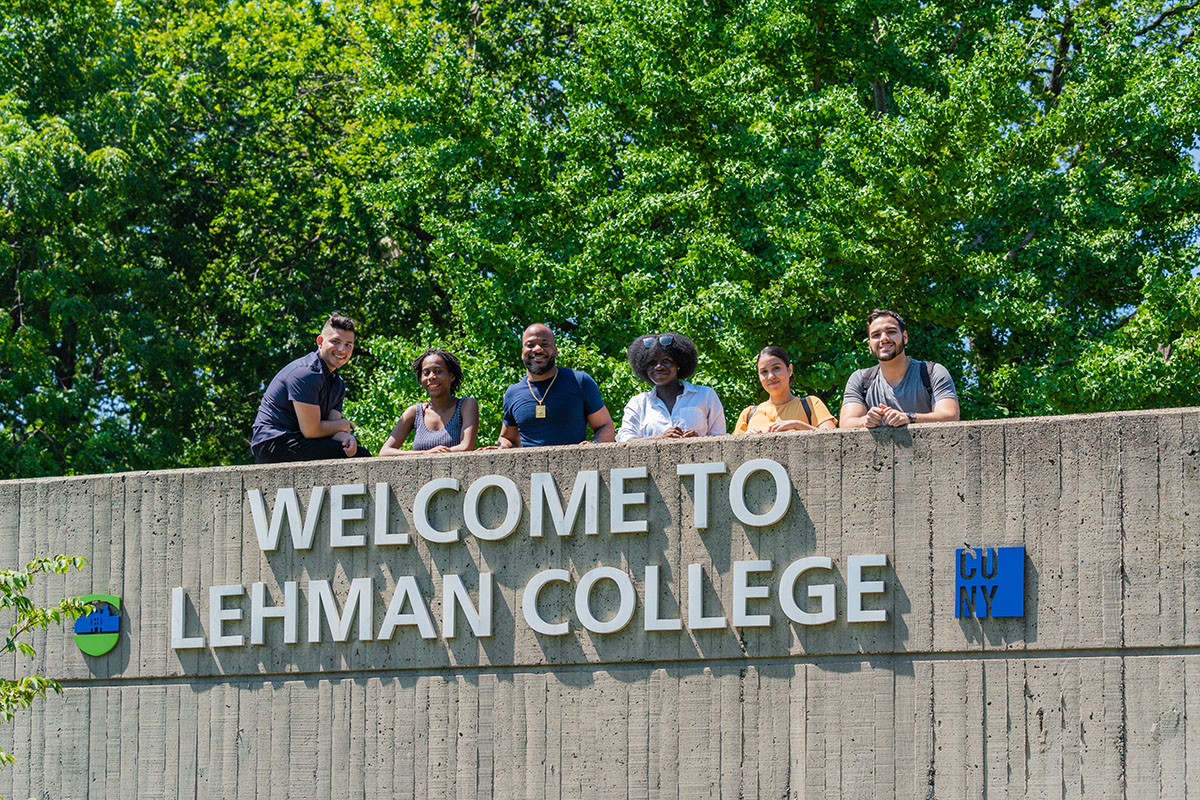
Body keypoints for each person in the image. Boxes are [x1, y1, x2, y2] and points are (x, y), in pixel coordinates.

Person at [250, 314, 372, 463]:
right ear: (320, 342)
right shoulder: (306, 373)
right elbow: (312, 430)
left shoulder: (338, 384)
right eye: (336, 341)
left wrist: (346, 437)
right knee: (360, 457)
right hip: (273, 443)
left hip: (300, 440)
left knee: (355, 453)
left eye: (348, 345)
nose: (342, 349)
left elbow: (332, 429)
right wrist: (345, 425)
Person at [493, 323, 615, 448]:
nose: (537, 349)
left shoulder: (579, 381)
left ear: (555, 351)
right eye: (530, 345)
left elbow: (605, 426)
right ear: (522, 352)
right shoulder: (513, 392)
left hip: (573, 465)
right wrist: (499, 448)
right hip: (529, 466)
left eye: (545, 344)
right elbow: (508, 438)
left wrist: (594, 446)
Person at [839, 309, 960, 428]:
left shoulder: (933, 372)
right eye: (876, 335)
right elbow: (845, 424)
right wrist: (866, 420)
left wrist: (909, 418)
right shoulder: (860, 379)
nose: (884, 338)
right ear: (870, 346)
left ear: (905, 337)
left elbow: (951, 416)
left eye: (891, 331)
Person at [616, 332, 726, 440]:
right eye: (652, 362)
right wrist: (658, 439)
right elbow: (625, 439)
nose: (658, 367)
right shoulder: (638, 403)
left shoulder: (705, 395)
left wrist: (698, 441)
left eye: (666, 361)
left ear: (678, 365)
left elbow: (720, 438)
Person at [378, 349, 479, 455]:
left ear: (452, 376)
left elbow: (465, 447)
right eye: (426, 373)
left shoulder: (466, 405)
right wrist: (424, 453)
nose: (431, 376)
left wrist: (432, 453)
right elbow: (385, 452)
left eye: (438, 371)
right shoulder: (415, 412)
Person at [733, 346, 837, 434]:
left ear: (789, 370)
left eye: (776, 368)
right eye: (764, 371)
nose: (770, 376)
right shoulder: (748, 414)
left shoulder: (812, 404)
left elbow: (833, 439)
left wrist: (798, 425)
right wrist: (744, 439)